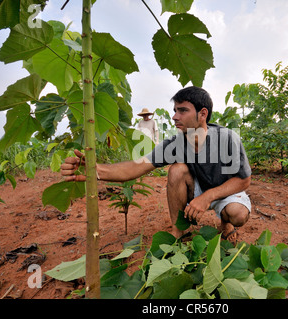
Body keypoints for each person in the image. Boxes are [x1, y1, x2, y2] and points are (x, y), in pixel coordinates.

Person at [60, 86, 251, 242]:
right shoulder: (176, 144)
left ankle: (225, 223)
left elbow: (243, 181)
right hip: (198, 187)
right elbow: (135, 167)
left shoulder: (226, 139)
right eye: (175, 110)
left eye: (183, 110)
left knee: (238, 215)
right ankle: (179, 232)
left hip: (226, 189)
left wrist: (209, 196)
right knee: (177, 170)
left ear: (202, 114)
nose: (175, 116)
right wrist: (94, 169)